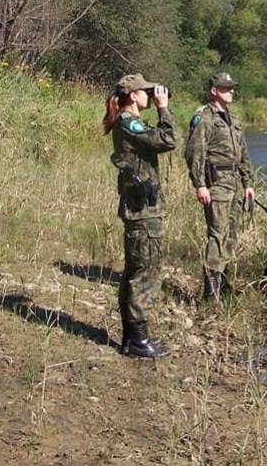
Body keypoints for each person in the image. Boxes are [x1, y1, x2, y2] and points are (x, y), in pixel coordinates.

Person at [103, 73, 177, 358]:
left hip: (141, 208)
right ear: (133, 95)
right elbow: (168, 139)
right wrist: (163, 108)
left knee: (136, 272)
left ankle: (134, 337)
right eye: (146, 91)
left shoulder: (128, 122)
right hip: (143, 211)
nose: (150, 94)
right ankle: (137, 340)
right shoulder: (129, 121)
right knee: (146, 274)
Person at [184, 72, 255, 300]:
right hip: (216, 184)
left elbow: (243, 154)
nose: (231, 91)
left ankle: (223, 282)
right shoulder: (205, 117)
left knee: (231, 234)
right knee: (217, 234)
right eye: (226, 88)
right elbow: (195, 152)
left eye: (232, 88)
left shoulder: (233, 119)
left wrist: (248, 183)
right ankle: (210, 291)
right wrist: (199, 184)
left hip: (234, 185)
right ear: (214, 91)